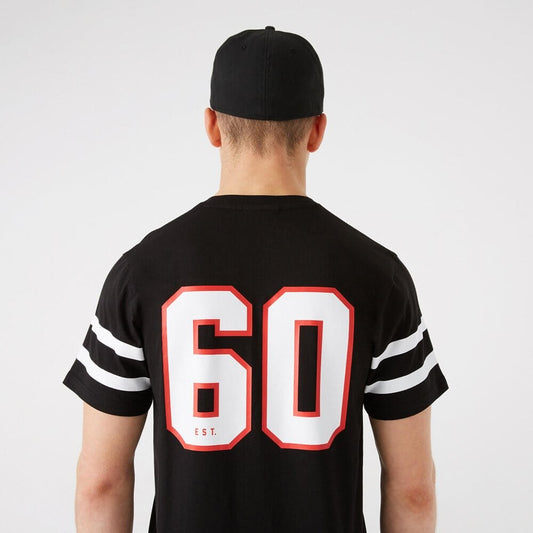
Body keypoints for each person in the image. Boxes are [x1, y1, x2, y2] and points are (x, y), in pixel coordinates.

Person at [63, 26, 449, 533]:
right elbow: (414, 488)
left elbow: (101, 482)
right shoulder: (381, 277)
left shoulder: (140, 273)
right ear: (317, 131)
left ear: (211, 126)